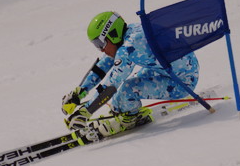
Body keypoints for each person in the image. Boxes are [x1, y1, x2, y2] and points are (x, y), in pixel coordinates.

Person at [61, 11, 200, 136]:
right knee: (120, 97)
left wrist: (86, 111)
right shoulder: (130, 33)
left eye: (100, 43)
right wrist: (79, 92)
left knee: (127, 90)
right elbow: (102, 66)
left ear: (113, 34)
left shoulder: (130, 46)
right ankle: (123, 111)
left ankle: (131, 119)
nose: (101, 50)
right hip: (172, 70)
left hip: (182, 82)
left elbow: (111, 84)